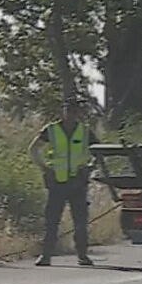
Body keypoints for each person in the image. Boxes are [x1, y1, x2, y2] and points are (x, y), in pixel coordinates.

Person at [29, 99, 98, 267]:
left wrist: (90, 167)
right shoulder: (51, 129)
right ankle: (46, 256)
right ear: (63, 112)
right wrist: (45, 168)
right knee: (52, 221)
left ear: (78, 113)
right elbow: (33, 149)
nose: (71, 114)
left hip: (78, 183)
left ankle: (82, 255)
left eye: (74, 111)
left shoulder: (84, 131)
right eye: (68, 111)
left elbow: (99, 151)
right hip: (57, 183)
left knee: (80, 222)